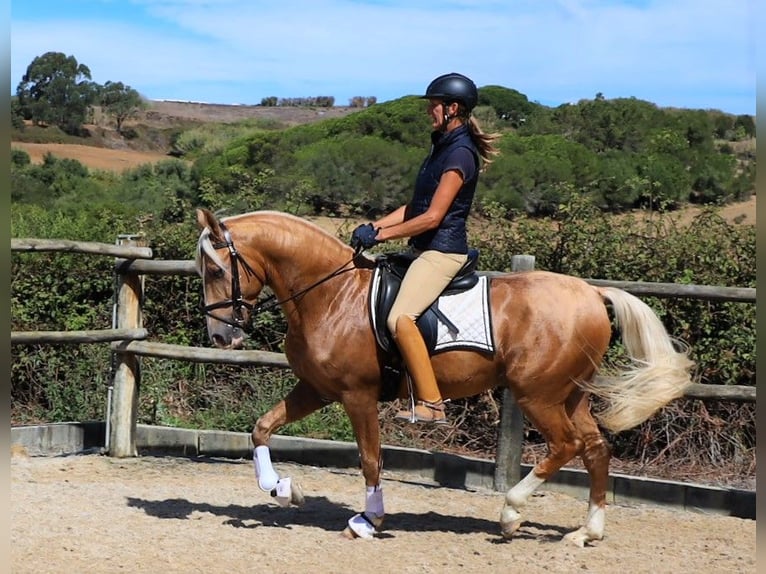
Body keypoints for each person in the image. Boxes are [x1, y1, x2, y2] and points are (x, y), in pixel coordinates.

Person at [351, 72, 499, 424]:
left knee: (400, 318)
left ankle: (432, 403)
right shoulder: (441, 147)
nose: (429, 111)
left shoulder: (461, 155)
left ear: (453, 108)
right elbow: (415, 207)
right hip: (424, 250)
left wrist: (382, 237)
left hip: (443, 252)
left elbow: (432, 217)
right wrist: (375, 226)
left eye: (434, 105)